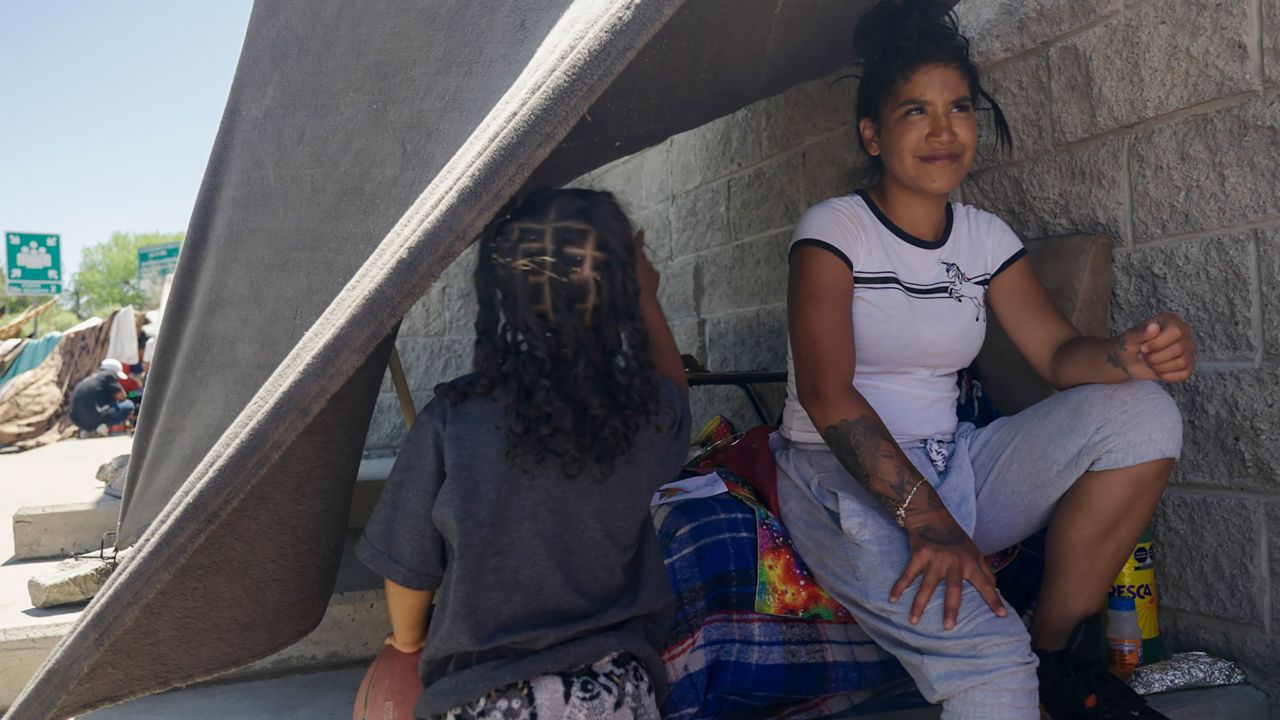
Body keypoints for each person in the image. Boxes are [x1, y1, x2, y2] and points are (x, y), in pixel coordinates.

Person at [775, 2, 1193, 719]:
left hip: (954, 462)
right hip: (841, 479)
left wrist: (1126, 353)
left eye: (959, 108)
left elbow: (1059, 355)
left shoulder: (984, 237)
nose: (944, 130)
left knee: (1145, 414)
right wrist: (929, 523)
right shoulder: (833, 229)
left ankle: (1053, 649)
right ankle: (1013, 667)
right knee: (993, 669)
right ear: (872, 135)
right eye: (915, 112)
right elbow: (825, 392)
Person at [356, 188, 691, 720]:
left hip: (487, 700)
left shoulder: (453, 420)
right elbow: (675, 391)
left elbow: (408, 574)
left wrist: (407, 644)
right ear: (621, 292)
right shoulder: (645, 418)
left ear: (496, 296)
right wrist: (645, 292)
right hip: (617, 694)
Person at [69, 359, 136, 435]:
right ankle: (104, 426)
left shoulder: (91, 378)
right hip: (95, 415)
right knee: (128, 404)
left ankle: (88, 430)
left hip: (79, 420)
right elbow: (123, 396)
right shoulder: (108, 375)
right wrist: (135, 394)